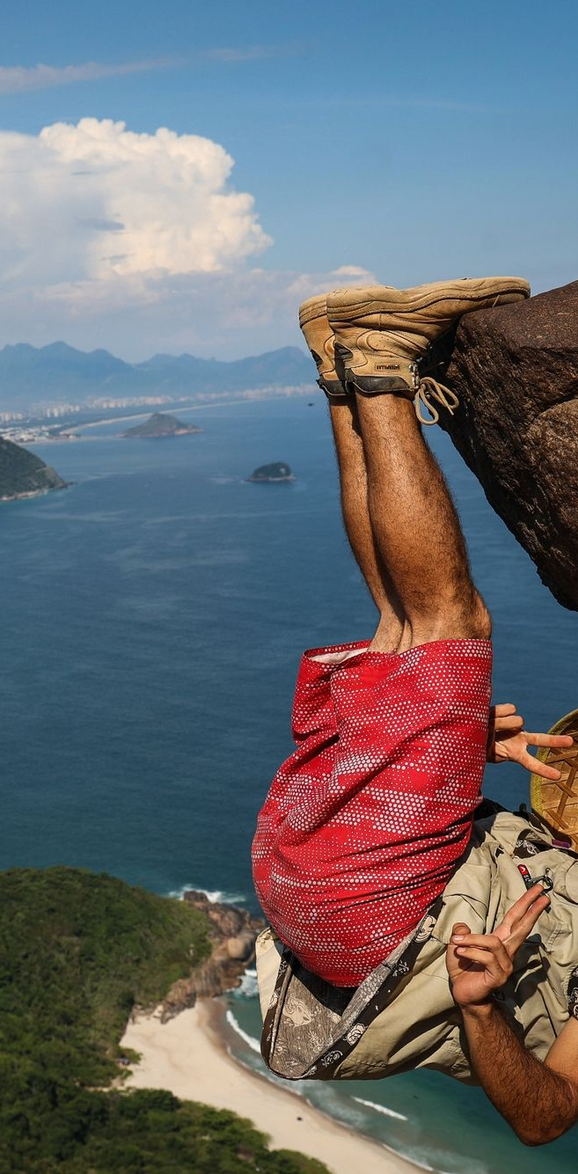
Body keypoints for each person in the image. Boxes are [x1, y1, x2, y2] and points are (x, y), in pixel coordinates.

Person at [251, 277, 578, 1146]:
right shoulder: (549, 847)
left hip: (374, 910)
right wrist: (471, 748)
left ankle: (379, 361)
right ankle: (343, 373)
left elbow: (548, 1116)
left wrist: (482, 1009)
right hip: (304, 883)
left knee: (448, 626)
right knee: (400, 630)